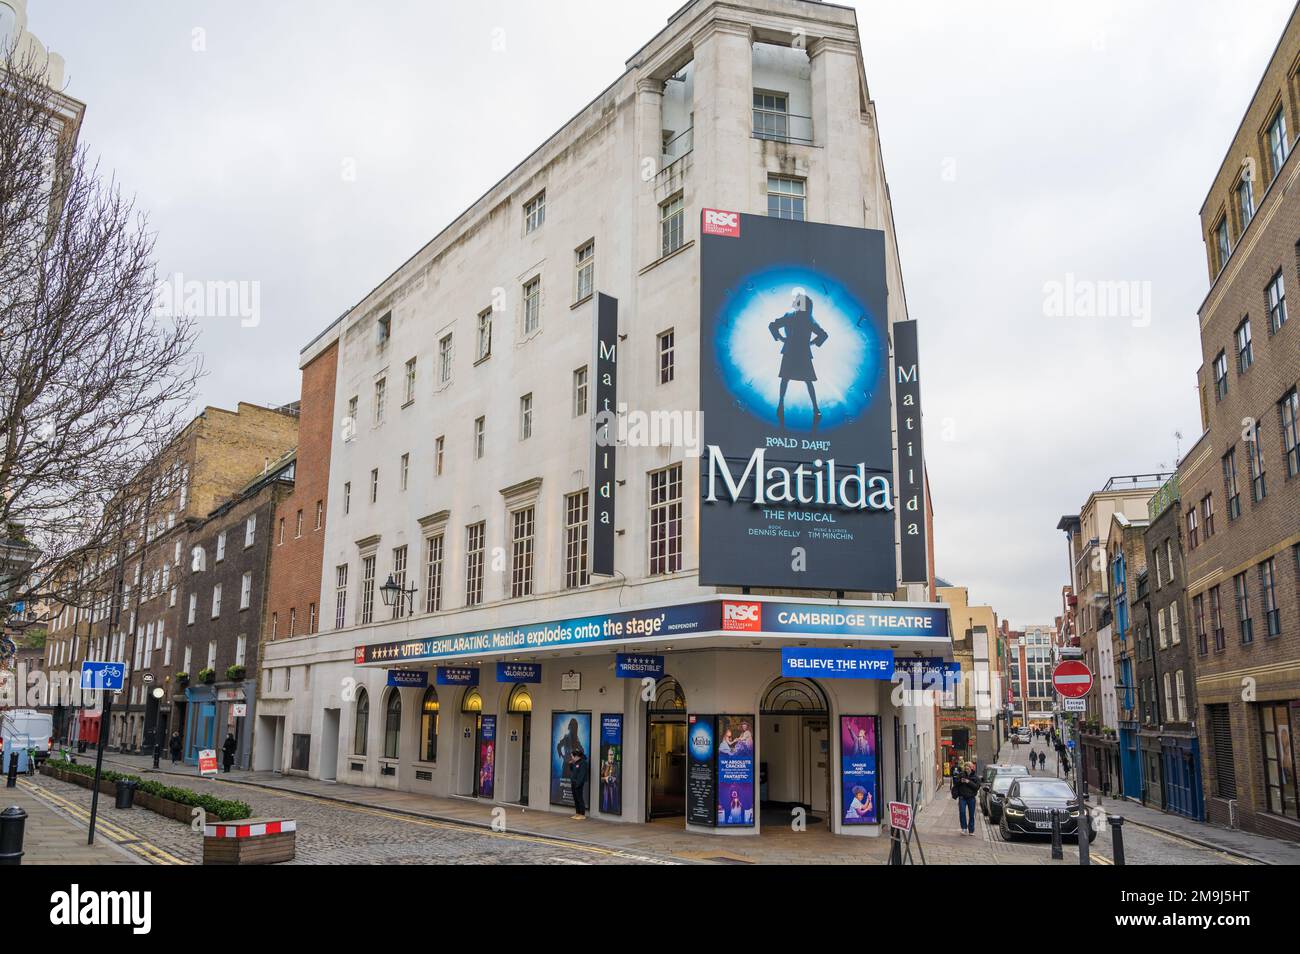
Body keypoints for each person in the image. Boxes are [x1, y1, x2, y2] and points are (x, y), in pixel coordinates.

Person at [768, 291, 828, 430]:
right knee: (803, 380)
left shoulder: (795, 317)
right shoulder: (807, 319)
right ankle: (814, 409)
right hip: (800, 352)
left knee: (787, 379)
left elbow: (772, 325)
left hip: (792, 351)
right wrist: (811, 343)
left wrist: (781, 339)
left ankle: (782, 405)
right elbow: (823, 335)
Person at [954, 761, 980, 835]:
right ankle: (964, 829)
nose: (967, 768)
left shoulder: (975, 777)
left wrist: (968, 782)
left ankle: (971, 831)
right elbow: (956, 783)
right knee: (962, 812)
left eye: (968, 767)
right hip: (962, 798)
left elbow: (977, 787)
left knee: (971, 814)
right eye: (966, 767)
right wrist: (960, 781)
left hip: (971, 798)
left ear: (971, 768)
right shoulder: (961, 775)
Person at [568, 746, 589, 820]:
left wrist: (578, 784)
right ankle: (577, 813)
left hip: (578, 784)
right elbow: (573, 771)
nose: (572, 758)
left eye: (572, 756)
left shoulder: (583, 763)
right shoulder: (575, 763)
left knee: (579, 799)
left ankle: (582, 814)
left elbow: (582, 775)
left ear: (576, 756)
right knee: (575, 799)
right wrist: (570, 764)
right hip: (573, 783)